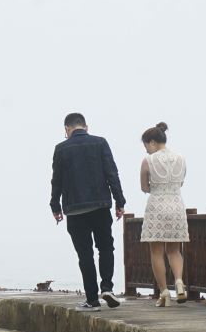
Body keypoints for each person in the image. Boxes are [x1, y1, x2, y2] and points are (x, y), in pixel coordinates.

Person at [50, 112, 126, 311]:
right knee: (106, 247)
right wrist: (120, 200)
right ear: (86, 126)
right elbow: (112, 173)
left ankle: (92, 299)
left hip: (74, 210)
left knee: (85, 255)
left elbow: (56, 180)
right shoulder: (100, 143)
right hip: (100, 206)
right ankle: (107, 287)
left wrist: (55, 206)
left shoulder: (61, 149)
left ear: (67, 129)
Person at [138, 122, 188, 306]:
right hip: (176, 204)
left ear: (151, 143)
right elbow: (181, 182)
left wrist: (153, 186)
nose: (146, 151)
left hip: (156, 206)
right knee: (174, 250)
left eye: (146, 147)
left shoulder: (148, 161)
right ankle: (179, 282)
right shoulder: (181, 158)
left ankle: (164, 293)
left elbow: (144, 187)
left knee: (156, 251)